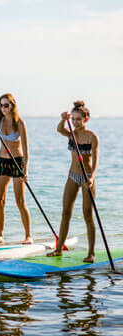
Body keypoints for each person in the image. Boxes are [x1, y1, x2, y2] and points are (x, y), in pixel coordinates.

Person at [47, 101, 99, 263]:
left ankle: (91, 253)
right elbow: (59, 129)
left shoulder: (92, 136)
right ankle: (59, 249)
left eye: (78, 119)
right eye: (73, 119)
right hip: (72, 176)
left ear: (86, 119)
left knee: (87, 215)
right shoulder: (72, 133)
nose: (76, 122)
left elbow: (96, 159)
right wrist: (63, 119)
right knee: (65, 213)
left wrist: (91, 178)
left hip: (87, 177)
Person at [0, 93, 32, 245]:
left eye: (6, 105)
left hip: (18, 162)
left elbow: (26, 149)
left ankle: (28, 235)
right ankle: (0, 235)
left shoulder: (20, 123)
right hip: (2, 161)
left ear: (12, 105)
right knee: (0, 200)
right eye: (1, 105)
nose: (3, 108)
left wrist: (26, 171)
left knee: (20, 200)